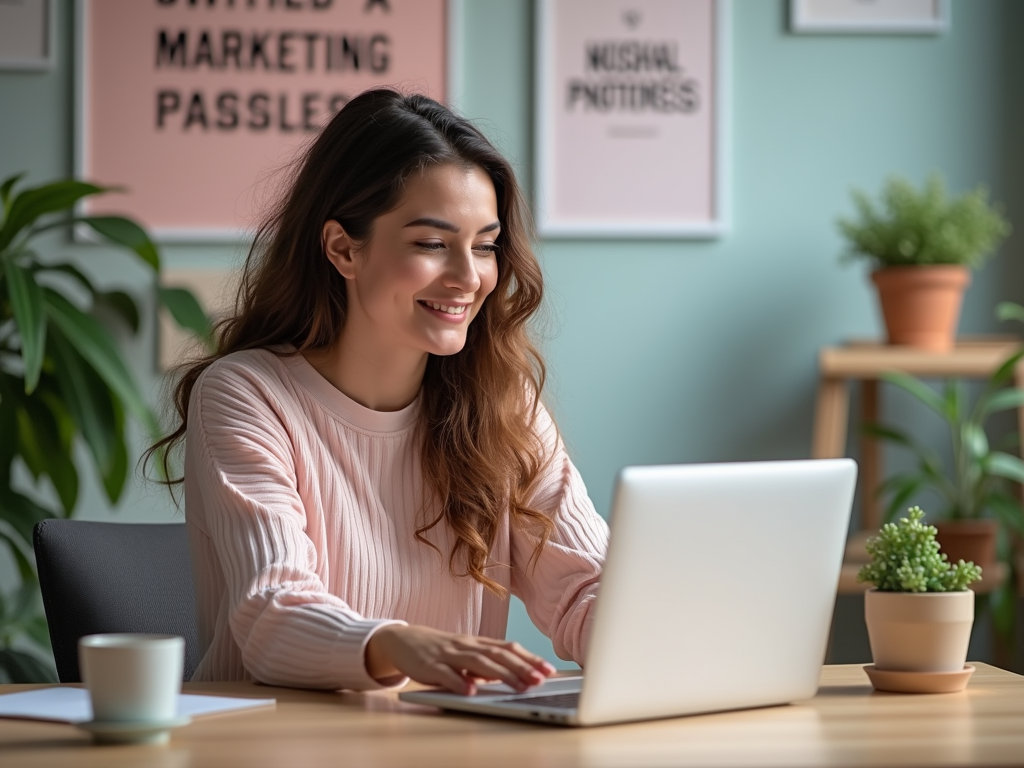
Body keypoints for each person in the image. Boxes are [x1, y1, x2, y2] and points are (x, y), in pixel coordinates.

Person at [150, 88, 609, 695]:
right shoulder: (247, 396)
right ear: (344, 248)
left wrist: (662, 625)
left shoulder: (502, 403)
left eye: (485, 245)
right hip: (270, 746)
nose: (469, 278)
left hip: (446, 747)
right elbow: (273, 614)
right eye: (430, 244)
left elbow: (583, 588)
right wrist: (395, 644)